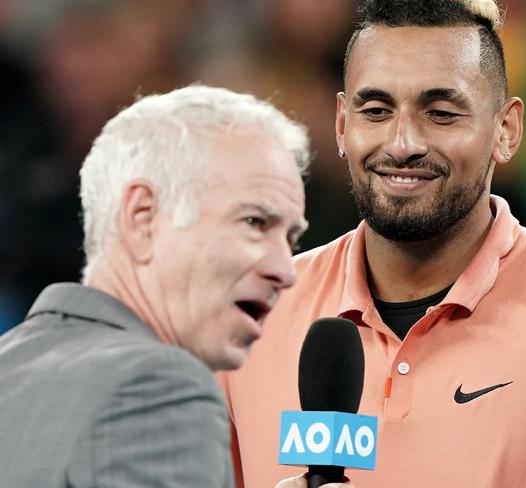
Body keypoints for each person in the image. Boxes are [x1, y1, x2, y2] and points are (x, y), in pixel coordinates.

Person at [219, 1, 526, 486]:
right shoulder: (249, 319)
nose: (403, 143)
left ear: (506, 130)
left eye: (441, 113)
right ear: (343, 124)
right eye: (376, 110)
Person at [0, 85, 350, 488]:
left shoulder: (11, 364)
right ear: (143, 217)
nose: (284, 270)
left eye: (290, 239)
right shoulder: (158, 386)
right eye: (255, 222)